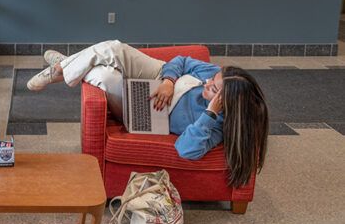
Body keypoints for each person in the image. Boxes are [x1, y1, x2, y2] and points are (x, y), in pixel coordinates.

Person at [26, 40, 269, 188]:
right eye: (211, 80)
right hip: (161, 77)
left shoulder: (214, 125)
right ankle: (62, 68)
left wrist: (208, 113)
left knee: (105, 76)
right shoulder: (216, 74)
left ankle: (68, 65)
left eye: (212, 89)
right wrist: (169, 81)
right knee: (114, 48)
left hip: (151, 111)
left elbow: (186, 149)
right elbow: (181, 61)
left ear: (223, 102)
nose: (207, 83)